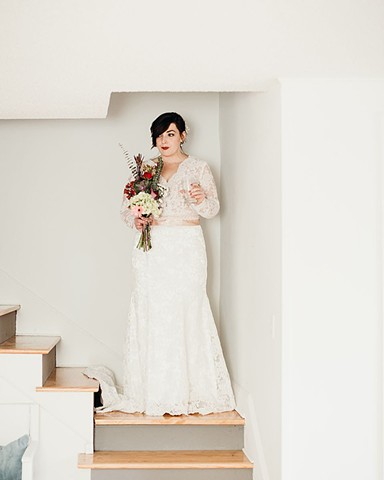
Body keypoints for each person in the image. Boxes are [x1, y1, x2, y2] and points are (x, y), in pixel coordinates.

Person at [88, 112, 235, 416]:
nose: (163, 141)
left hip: (186, 246)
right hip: (152, 249)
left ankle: (191, 391)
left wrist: (198, 197)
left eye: (169, 134)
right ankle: (154, 391)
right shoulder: (147, 169)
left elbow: (212, 209)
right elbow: (127, 212)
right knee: (152, 309)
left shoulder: (198, 168)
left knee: (186, 308)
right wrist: (138, 218)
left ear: (183, 134)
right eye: (158, 136)